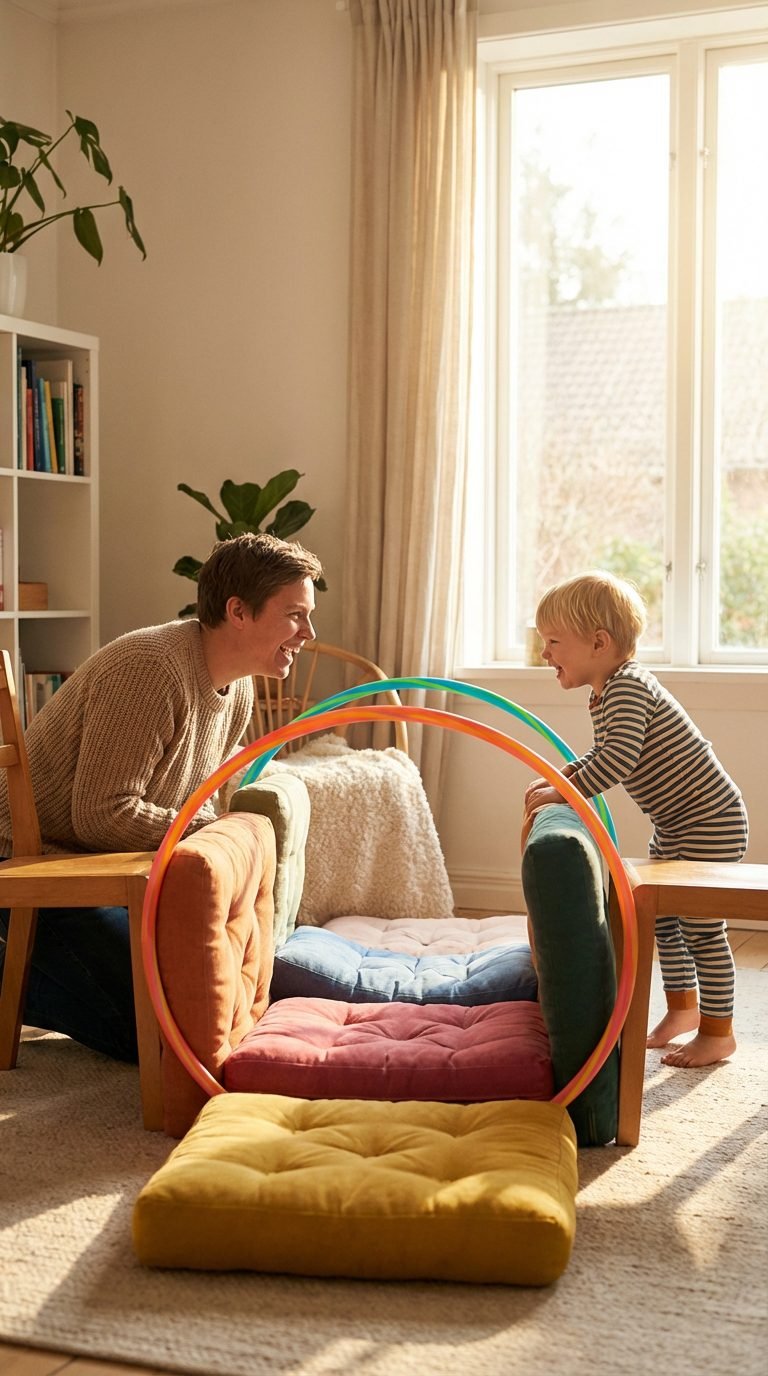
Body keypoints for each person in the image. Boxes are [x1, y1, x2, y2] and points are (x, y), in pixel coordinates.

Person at [0, 532, 321, 1061]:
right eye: (294, 615)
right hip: (37, 864)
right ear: (238, 611)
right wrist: (213, 833)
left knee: (212, 1006)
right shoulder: (150, 668)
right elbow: (103, 814)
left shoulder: (236, 684)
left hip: (108, 867)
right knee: (161, 1035)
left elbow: (190, 801)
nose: (309, 632)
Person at [523, 569, 748, 1069]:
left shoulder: (628, 688)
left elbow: (618, 762)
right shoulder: (606, 691)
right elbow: (604, 753)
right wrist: (562, 775)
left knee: (701, 927)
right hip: (676, 824)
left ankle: (719, 1031)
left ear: (598, 643)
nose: (545, 654)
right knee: (661, 919)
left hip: (709, 820)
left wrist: (566, 788)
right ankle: (683, 1010)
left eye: (554, 642)